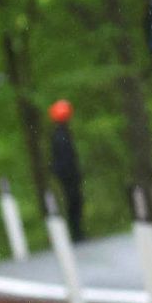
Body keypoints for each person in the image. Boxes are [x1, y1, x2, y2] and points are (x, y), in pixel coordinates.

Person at [47, 100, 86, 243]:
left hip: (67, 174)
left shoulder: (61, 133)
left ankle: (77, 231)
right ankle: (76, 232)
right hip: (68, 175)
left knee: (74, 201)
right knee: (74, 201)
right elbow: (65, 158)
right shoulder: (60, 135)